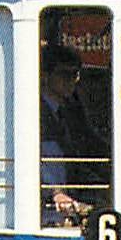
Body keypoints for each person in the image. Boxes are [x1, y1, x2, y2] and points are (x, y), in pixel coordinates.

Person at [39, 46, 108, 227]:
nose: (72, 81)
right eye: (64, 74)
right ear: (46, 76)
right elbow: (35, 157)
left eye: (75, 75)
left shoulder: (71, 110)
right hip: (46, 205)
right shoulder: (36, 110)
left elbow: (91, 145)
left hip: (71, 196)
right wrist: (55, 193)